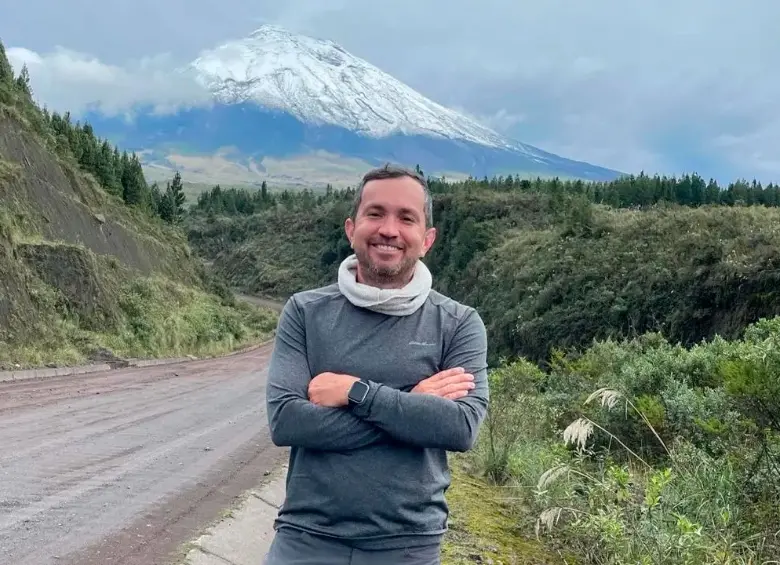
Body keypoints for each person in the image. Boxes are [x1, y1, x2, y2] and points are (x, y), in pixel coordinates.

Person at [263, 163, 490, 565]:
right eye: (375, 213)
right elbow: (287, 422)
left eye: (407, 218)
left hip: (408, 546)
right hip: (305, 538)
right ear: (352, 228)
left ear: (428, 238)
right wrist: (413, 403)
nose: (389, 229)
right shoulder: (305, 312)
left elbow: (459, 427)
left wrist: (356, 392)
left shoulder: (458, 323)